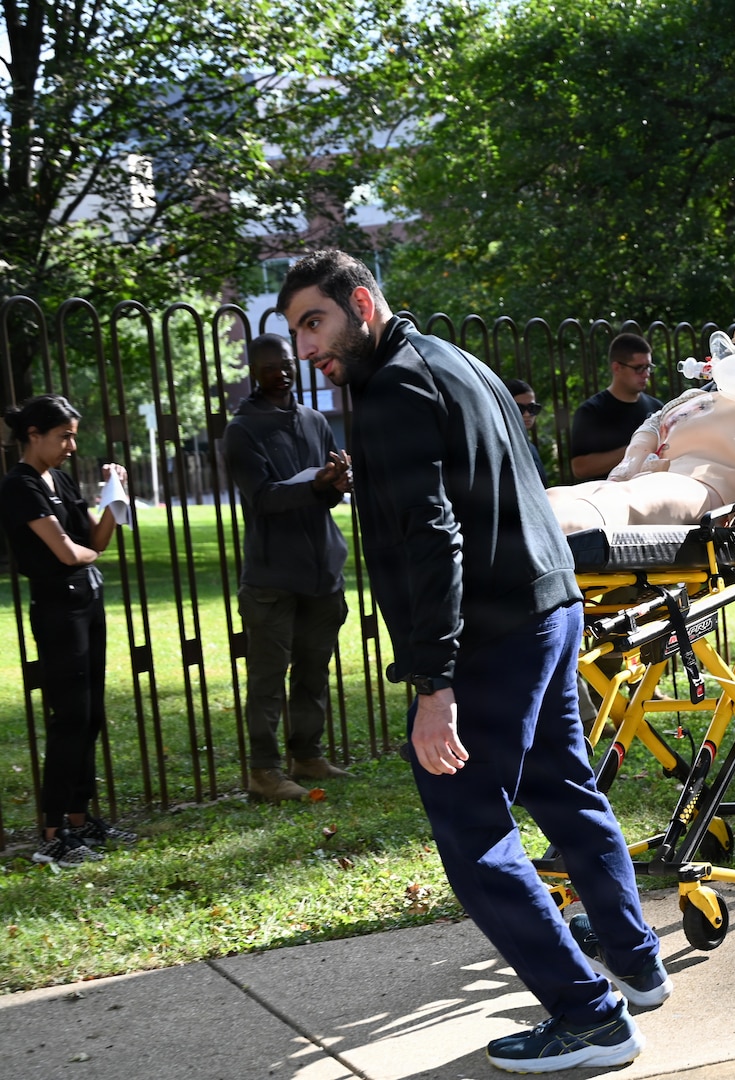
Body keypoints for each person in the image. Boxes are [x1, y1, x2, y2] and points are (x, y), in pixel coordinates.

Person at [277, 250, 667, 1074]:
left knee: (472, 833)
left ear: (360, 302)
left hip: (490, 637)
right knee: (562, 786)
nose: (306, 348)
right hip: (548, 609)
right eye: (294, 331)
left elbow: (433, 538)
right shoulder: (456, 361)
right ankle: (634, 961)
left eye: (314, 322)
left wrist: (432, 683)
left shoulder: (393, 390)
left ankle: (590, 1016)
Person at [1, 395, 137, 865]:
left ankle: (80, 822)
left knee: (91, 715)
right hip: (59, 609)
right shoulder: (20, 486)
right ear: (34, 435)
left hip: (87, 600)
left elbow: (94, 539)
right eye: (64, 436)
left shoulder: (55, 478)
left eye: (74, 435)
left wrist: (113, 497)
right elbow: (66, 552)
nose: (72, 446)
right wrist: (88, 554)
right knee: (70, 719)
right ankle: (53, 832)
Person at [547, 321, 735, 535]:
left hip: (707, 487)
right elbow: (649, 430)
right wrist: (625, 470)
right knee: (555, 497)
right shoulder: (695, 399)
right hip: (654, 478)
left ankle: (534, 540)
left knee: (622, 502)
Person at [223, 333, 354, 803]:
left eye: (285, 363)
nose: (279, 372)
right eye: (268, 367)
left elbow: (329, 492)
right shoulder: (242, 430)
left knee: (313, 672)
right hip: (271, 578)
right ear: (253, 374)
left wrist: (337, 480)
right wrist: (315, 485)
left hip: (321, 569)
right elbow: (261, 498)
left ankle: (308, 755)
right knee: (267, 679)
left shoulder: (315, 421)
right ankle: (264, 771)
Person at [568, 332, 662, 482]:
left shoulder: (657, 407)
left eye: (648, 367)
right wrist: (637, 448)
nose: (646, 374)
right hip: (608, 497)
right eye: (639, 368)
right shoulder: (591, 411)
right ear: (617, 368)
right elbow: (580, 468)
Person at [504, 377, 550, 485]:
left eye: (532, 408)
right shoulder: (500, 447)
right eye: (519, 408)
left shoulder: (530, 447)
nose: (527, 414)